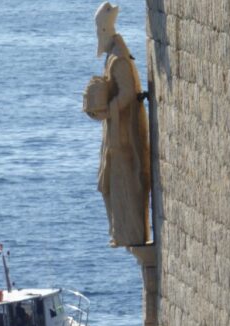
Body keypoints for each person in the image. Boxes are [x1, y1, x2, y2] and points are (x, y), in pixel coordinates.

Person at [85, 2, 151, 247]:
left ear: (103, 30)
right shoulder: (114, 56)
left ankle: (129, 232)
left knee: (121, 183)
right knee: (108, 185)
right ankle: (122, 231)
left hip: (121, 136)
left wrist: (108, 108)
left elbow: (127, 93)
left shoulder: (119, 59)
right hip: (114, 133)